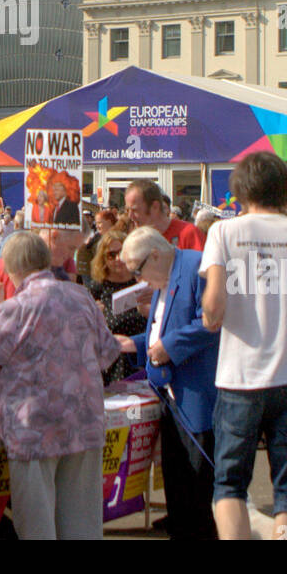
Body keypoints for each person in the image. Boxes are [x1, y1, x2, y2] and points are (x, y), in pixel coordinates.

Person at [201, 152, 287, 540]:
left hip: (240, 376)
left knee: (229, 485)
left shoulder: (223, 232)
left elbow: (214, 307)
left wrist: (209, 317)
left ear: (239, 190)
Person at [0, 232, 123, 540]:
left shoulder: (13, 309)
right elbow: (108, 352)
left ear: (10, 268)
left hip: (33, 429)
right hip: (84, 422)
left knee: (38, 526)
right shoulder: (80, 297)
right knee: (83, 524)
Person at [120, 226, 221, 539]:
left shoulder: (197, 268)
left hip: (197, 390)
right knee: (175, 474)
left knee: (197, 477)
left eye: (138, 271)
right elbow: (163, 328)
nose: (139, 280)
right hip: (171, 393)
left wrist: (170, 347)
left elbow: (211, 322)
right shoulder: (165, 277)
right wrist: (135, 344)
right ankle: (181, 526)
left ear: (155, 255)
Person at [0, 227, 80, 403]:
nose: (70, 256)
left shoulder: (21, 264)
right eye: (70, 249)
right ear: (53, 240)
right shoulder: (19, 270)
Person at [84, 230, 146, 384]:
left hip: (142, 360)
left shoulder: (144, 282)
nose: (118, 259)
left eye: (122, 253)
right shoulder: (97, 289)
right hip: (112, 367)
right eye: (111, 255)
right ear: (103, 259)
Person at [125, 178, 204, 251]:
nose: (130, 216)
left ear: (155, 207)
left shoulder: (188, 233)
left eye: (135, 210)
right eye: (127, 210)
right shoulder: (135, 240)